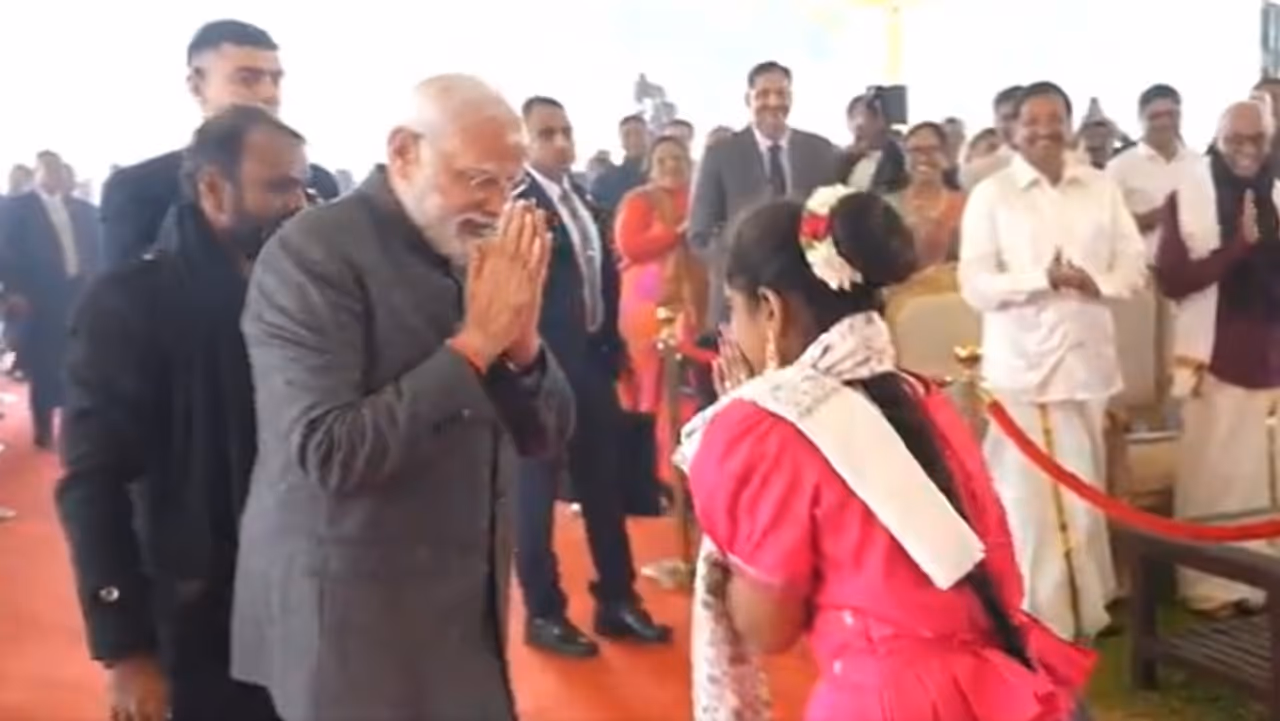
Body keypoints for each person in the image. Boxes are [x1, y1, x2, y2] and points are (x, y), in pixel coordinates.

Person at [230, 75, 574, 721]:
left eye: (509, 185)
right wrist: (477, 345)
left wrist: (522, 345)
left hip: (465, 614)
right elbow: (329, 452)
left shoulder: (471, 246)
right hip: (354, 632)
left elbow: (546, 436)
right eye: (478, 179)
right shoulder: (312, 255)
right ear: (404, 152)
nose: (496, 205)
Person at [677, 187, 1094, 720]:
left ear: (771, 310)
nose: (730, 332)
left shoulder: (768, 430)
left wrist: (733, 490)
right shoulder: (919, 396)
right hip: (997, 684)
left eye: (733, 310)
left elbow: (767, 627)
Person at [56, 105, 306, 721]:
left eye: (303, 187)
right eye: (278, 188)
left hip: (303, 604)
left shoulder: (303, 295)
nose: (299, 205)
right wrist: (126, 648)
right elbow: (93, 482)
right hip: (195, 619)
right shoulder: (128, 304)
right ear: (214, 190)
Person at [958, 81, 1147, 642]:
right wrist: (1041, 279)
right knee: (1028, 500)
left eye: (1054, 119)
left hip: (1088, 362)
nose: (1044, 130)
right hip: (1023, 371)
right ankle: (1039, 615)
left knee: (1083, 494)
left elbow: (1133, 266)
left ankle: (1087, 606)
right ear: (1014, 130)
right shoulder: (993, 195)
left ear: (1069, 125)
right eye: (1032, 121)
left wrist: (1096, 283)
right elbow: (976, 284)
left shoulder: (1100, 187)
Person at [512, 96, 671, 658]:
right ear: (524, 142)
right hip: (538, 371)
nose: (560, 142)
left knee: (603, 484)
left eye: (565, 131)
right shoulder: (517, 205)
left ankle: (617, 599)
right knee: (535, 494)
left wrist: (609, 348)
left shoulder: (579, 198)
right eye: (546, 134)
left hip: (591, 362)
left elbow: (600, 278)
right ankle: (543, 611)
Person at [1154, 99, 1280, 618]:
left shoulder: (1275, 190)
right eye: (1235, 140)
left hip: (1270, 354)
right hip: (1212, 354)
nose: (1246, 151)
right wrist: (1238, 247)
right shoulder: (1190, 193)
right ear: (1218, 139)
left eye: (1257, 140)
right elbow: (1172, 280)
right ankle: (1209, 587)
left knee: (1259, 477)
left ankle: (1261, 580)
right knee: (1214, 477)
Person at [100, 19, 339, 269]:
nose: (269, 93)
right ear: (197, 86)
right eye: (247, 79)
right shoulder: (139, 190)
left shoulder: (318, 183)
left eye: (275, 80)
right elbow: (127, 288)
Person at [689, 60, 838, 330]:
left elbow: (834, 219)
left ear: (791, 98)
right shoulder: (721, 154)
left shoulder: (820, 150)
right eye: (763, 94)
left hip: (807, 298)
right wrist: (737, 271)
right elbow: (700, 233)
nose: (773, 102)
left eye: (781, 94)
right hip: (742, 301)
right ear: (748, 99)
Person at [0, 150, 101, 448]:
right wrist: (14, 290)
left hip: (73, 288)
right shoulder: (17, 207)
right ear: (38, 173)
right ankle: (43, 427)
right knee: (44, 361)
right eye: (49, 170)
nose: (56, 176)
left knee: (75, 356)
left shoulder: (72, 206)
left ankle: (73, 420)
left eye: (59, 170)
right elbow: (6, 251)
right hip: (39, 293)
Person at [614, 135, 704, 417]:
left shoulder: (701, 197)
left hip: (696, 296)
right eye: (662, 160)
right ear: (650, 167)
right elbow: (630, 245)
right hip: (647, 297)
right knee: (651, 379)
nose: (670, 165)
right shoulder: (639, 200)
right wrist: (675, 234)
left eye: (677, 158)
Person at [1107, 84, 1200, 257]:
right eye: (1155, 116)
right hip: (1142, 269)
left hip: (1198, 266)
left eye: (1171, 115)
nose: (1164, 123)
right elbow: (1104, 227)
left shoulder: (1199, 163)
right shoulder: (1119, 167)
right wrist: (1157, 216)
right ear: (1141, 119)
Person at [885, 122, 966, 269]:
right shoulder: (887, 206)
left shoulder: (966, 206)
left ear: (946, 155)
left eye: (932, 150)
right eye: (915, 151)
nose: (923, 158)